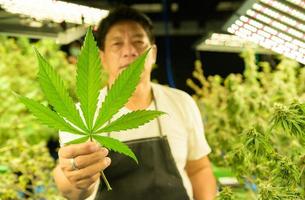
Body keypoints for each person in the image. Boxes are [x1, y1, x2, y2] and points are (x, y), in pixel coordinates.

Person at [53, 6, 217, 200]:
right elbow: (71, 188)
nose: (129, 51)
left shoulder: (181, 102)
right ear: (102, 59)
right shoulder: (82, 115)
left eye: (138, 42)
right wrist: (75, 179)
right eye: (117, 44)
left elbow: (199, 169)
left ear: (153, 53)